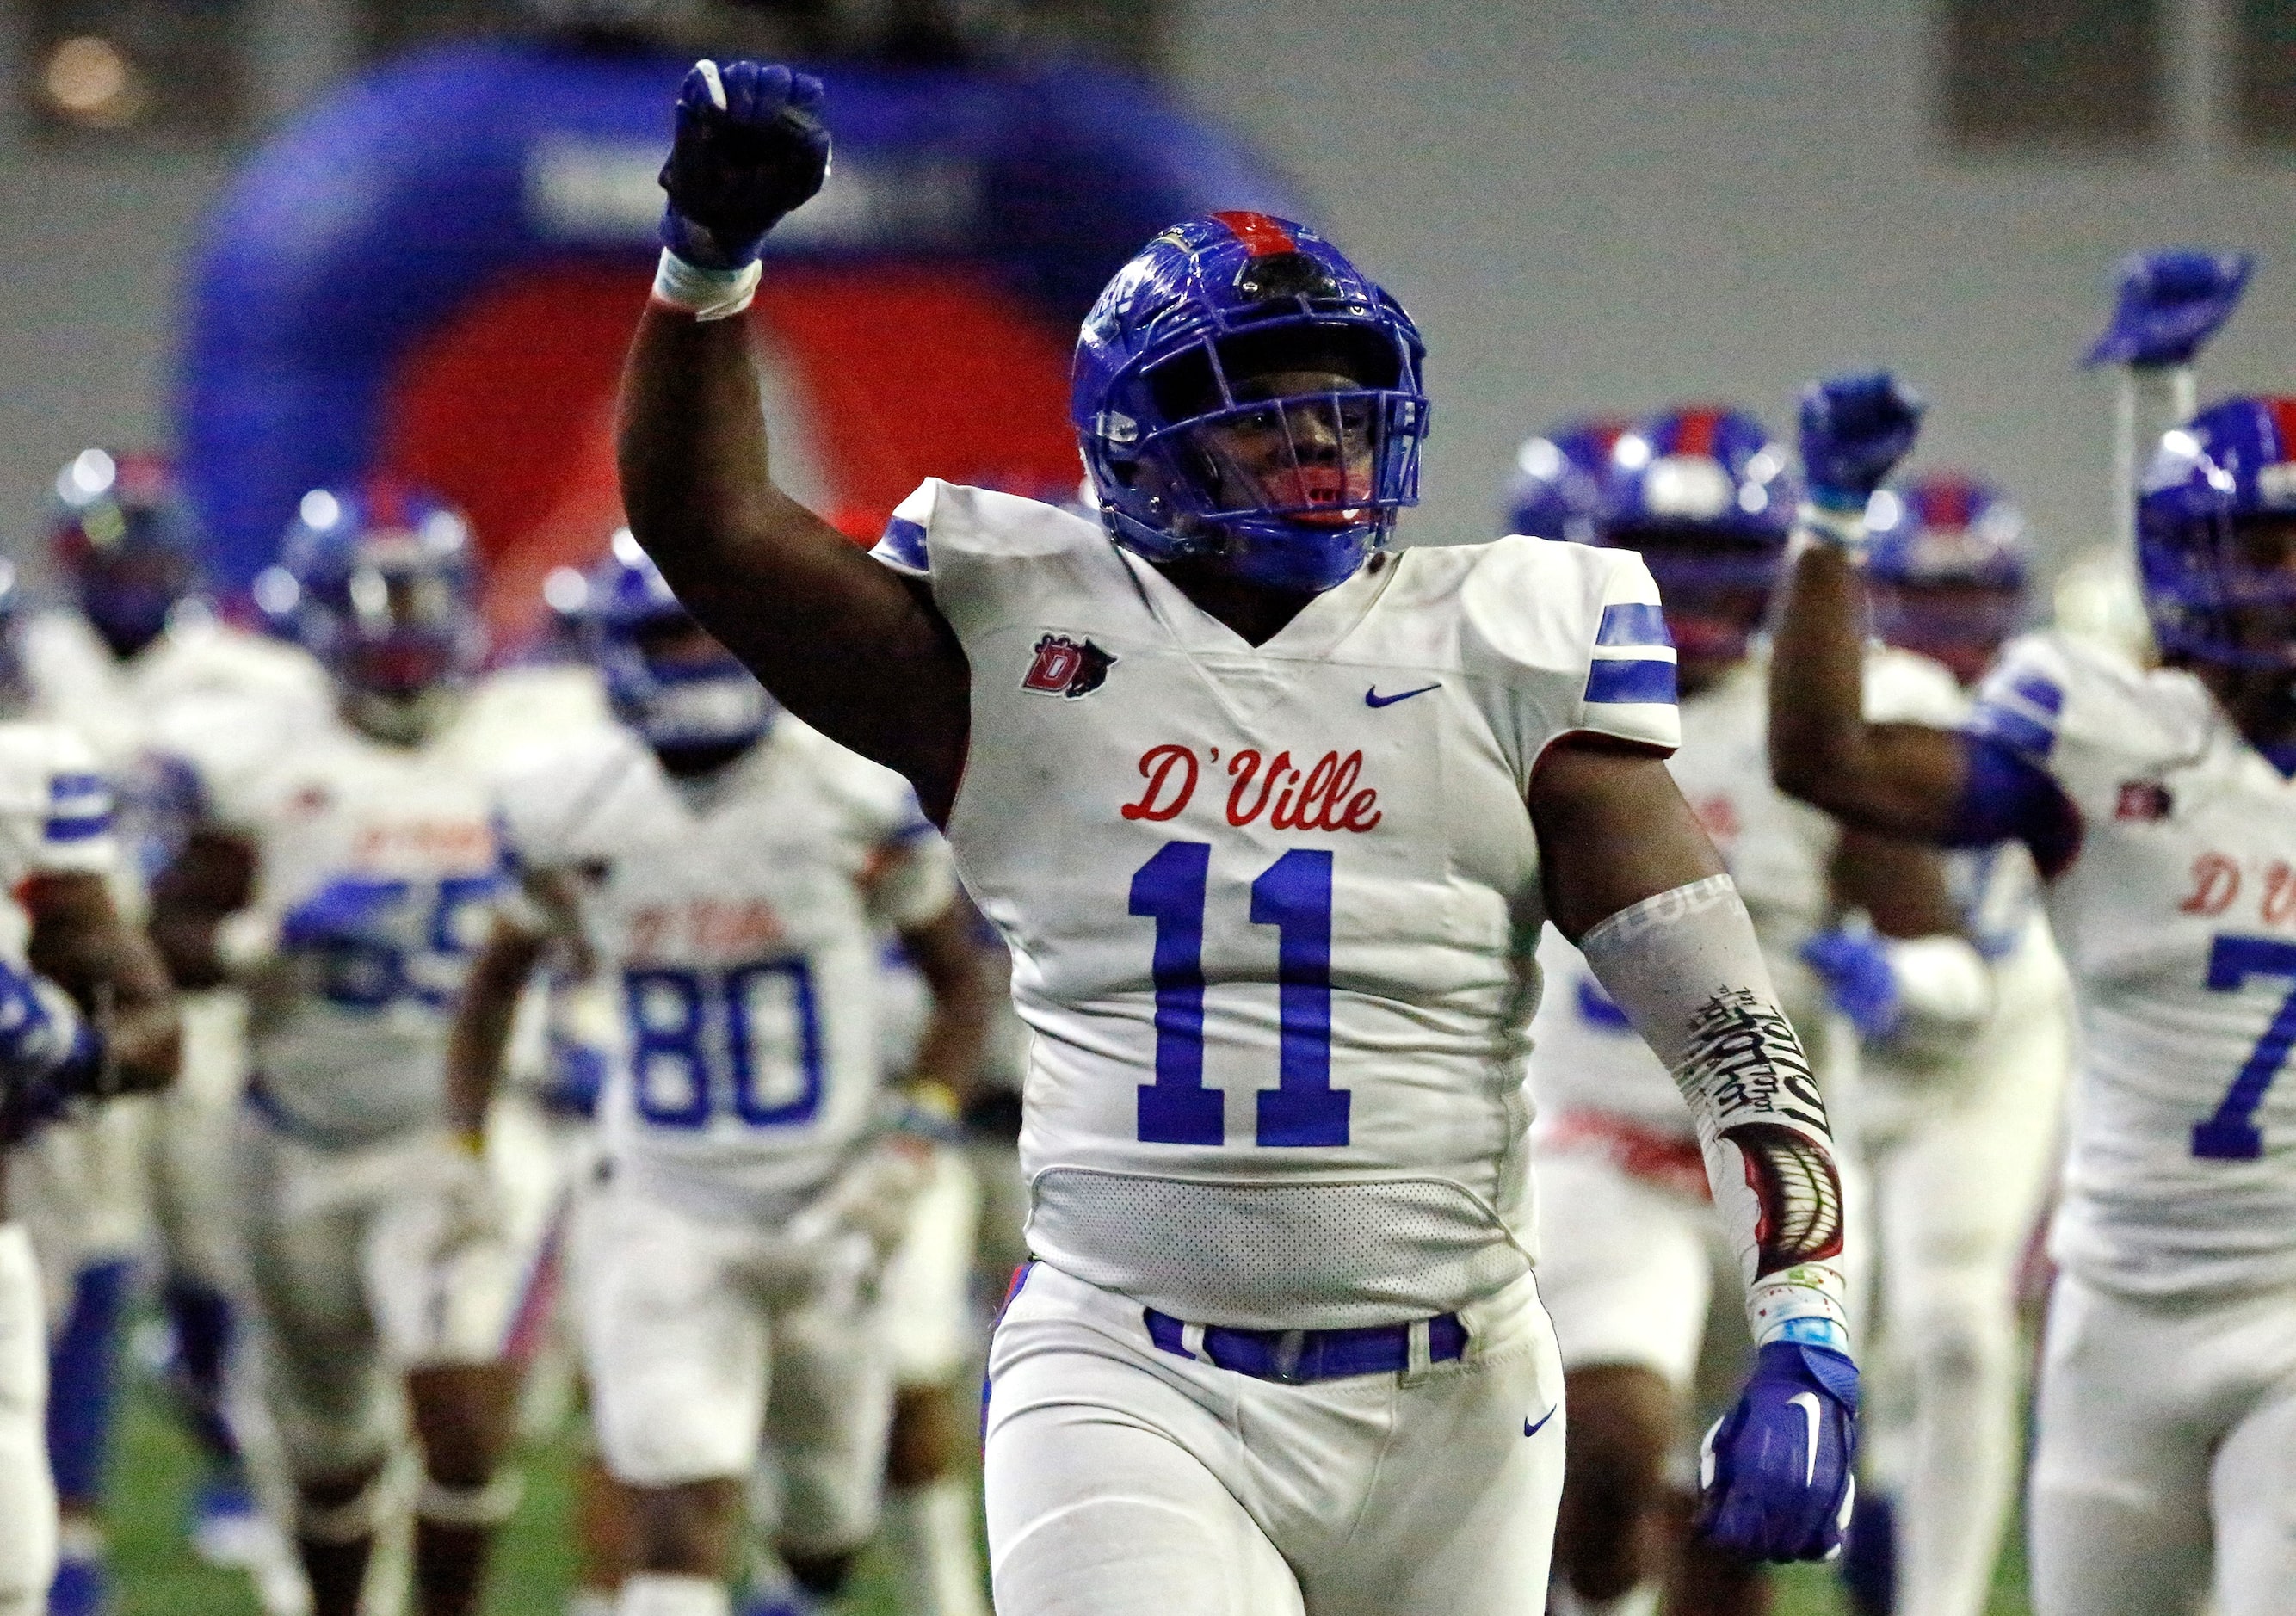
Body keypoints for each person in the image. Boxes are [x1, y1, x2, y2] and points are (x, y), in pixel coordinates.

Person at [609, 59, 1862, 1616]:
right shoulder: (1014, 643)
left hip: (1454, 1386)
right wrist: (707, 262)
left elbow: (1733, 1032)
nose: (1317, 447)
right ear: (1139, 442)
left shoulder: (1504, 645)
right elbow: (712, 527)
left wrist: (1803, 1315)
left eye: (1337, 404)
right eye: (1258, 414)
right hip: (1127, 1366)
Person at [1765, 251, 2296, 1616]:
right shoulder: (2109, 740)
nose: (2286, 586)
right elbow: (1827, 759)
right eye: (2264, 550)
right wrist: (1828, 523)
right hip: (2114, 1316)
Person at [446, 537, 987, 1616]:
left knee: (827, 1526)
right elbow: (496, 977)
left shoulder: (848, 792)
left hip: (829, 1200)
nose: (695, 658)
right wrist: (462, 1146)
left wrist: (915, 1137)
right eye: (669, 636)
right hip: (664, 1202)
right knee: (678, 1506)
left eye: (713, 633)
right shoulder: (567, 804)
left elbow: (959, 987)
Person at [1520, 409, 1985, 1616]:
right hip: (1599, 1146)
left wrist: (1902, 987)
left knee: (1745, 1520)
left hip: (1778, 1171)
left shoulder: (1814, 728)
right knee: (1612, 1442)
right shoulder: (1529, 703)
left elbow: (1953, 972)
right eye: (1662, 552)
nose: (1689, 586)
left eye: (1724, 550)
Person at [148, 480, 533, 1616]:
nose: (400, 631)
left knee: (459, 1420)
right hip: (295, 1138)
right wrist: (269, 932)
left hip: (448, 1135)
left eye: (419, 597)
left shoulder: (532, 744)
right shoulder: (249, 754)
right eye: (373, 601)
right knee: (330, 1454)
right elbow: (167, 944)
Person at [26, 450, 328, 1612]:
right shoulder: (31, 663)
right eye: (110, 546)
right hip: (71, 1003)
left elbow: (285, 824)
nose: (129, 569)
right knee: (83, 1266)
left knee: (217, 1262)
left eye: (146, 544)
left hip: (202, 1007)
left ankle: (228, 1447)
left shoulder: (253, 677)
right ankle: (72, 1527)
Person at [1838, 476, 2071, 1616]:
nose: (1949, 630)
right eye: (1923, 599)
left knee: (1961, 1329)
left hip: (1994, 1042)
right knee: (1843, 1350)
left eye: (1973, 598)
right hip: (1837, 1044)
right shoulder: (1823, 704)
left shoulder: (2056, 706)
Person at [0, 557, 182, 1615]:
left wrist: (60, 1044)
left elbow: (153, 1033)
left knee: (16, 1577)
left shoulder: (30, 780)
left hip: (5, 1234)